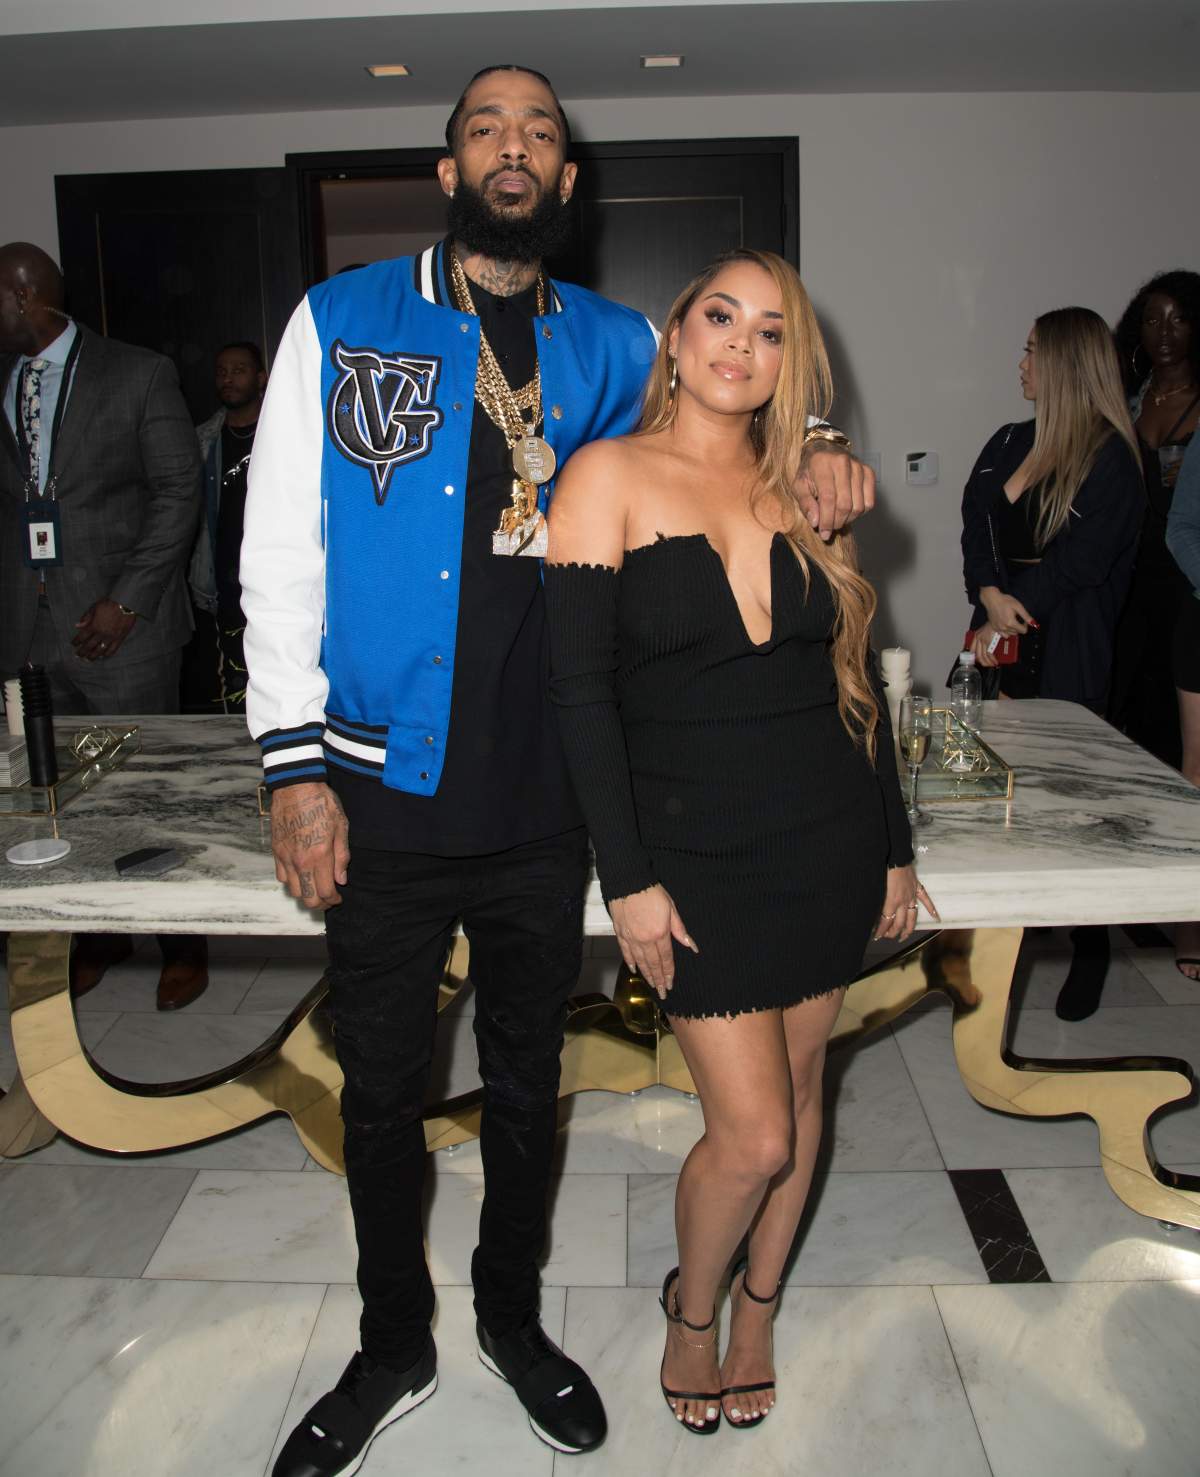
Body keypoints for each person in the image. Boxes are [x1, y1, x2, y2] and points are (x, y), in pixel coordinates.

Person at [242, 66, 876, 1477]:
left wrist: (828, 448)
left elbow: (736, 418)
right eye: (487, 129)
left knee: (531, 1080)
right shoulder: (341, 322)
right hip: (384, 785)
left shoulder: (617, 338)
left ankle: (513, 1321)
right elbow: (279, 551)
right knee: (382, 1086)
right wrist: (292, 769)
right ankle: (391, 1342)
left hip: (548, 799)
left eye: (540, 132)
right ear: (449, 167)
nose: (513, 148)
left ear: (568, 181)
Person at [543, 248, 931, 1435]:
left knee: (802, 1102)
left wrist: (893, 846)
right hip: (692, 856)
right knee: (753, 1133)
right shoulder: (605, 476)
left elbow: (853, 688)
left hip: (825, 838)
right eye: (721, 316)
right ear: (677, 333)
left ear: (787, 363)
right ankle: (692, 1309)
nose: (740, 345)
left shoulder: (809, 493)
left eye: (770, 332)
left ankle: (759, 1308)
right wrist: (627, 883)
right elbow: (579, 699)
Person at [0, 240, 209, 1011]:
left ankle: (181, 943)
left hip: (126, 629)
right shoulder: (2, 379)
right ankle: (98, 934)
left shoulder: (138, 372)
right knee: (58, 799)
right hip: (28, 633)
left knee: (148, 792)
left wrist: (127, 600)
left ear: (24, 296)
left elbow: (178, 492)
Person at [960, 307, 1143, 1019]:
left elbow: (1081, 563)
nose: (1022, 362)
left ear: (1065, 364)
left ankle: (1090, 950)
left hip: (1065, 640)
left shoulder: (1111, 459)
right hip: (999, 632)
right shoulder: (1010, 440)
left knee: (1070, 810)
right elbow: (976, 522)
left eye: (1033, 350)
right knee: (999, 798)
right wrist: (987, 595)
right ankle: (1009, 938)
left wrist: (1009, 607)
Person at [1111, 271, 1200, 981]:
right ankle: (1141, 895)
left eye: (1177, 319)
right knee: (1131, 738)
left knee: (1188, 754)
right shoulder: (1128, 399)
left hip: (1188, 588)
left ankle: (1189, 913)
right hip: (1129, 585)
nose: (1163, 333)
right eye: (1151, 319)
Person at [188, 341, 268, 712]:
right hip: (223, 584)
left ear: (261, 378)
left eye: (239, 370)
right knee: (233, 689)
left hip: (277, 579)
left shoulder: (284, 431)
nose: (228, 379)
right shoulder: (203, 439)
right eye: (222, 371)